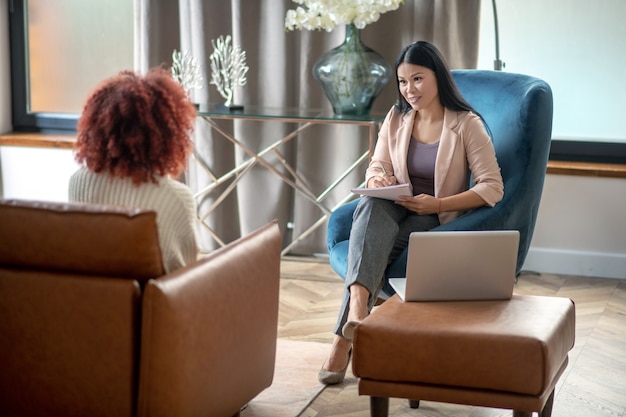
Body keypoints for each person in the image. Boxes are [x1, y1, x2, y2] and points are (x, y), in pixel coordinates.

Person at [318, 41, 504, 384]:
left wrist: (437, 204)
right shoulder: (398, 116)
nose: (409, 90)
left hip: (433, 217)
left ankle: (341, 340)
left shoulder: (466, 124)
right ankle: (359, 311)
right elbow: (377, 163)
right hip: (395, 203)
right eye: (403, 82)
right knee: (371, 203)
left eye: (417, 79)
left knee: (371, 245)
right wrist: (380, 177)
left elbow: (492, 187)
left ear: (438, 77)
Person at [69, 67, 200, 273]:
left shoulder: (78, 183)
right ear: (167, 134)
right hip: (150, 304)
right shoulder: (177, 198)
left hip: (90, 301)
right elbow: (187, 275)